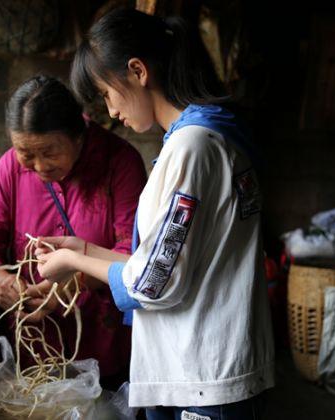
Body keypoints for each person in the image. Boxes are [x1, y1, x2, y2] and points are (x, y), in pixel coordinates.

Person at [35, 9, 274, 420]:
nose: (111, 112)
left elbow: (152, 284)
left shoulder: (192, 148)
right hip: (199, 370)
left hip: (203, 375)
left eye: (107, 94)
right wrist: (85, 247)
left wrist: (71, 261)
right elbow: (165, 263)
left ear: (138, 71)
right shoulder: (207, 138)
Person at [0, 75, 147, 388]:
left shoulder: (121, 163)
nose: (39, 166)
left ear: (78, 137)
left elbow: (134, 256)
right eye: (26, 153)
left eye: (49, 152)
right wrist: (1, 283)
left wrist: (66, 289)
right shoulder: (9, 168)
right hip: (32, 348)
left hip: (106, 349)